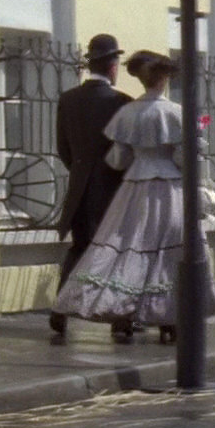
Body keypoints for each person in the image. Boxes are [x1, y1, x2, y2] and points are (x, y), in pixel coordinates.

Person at [51, 50, 215, 342]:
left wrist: (140, 156)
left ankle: (125, 312)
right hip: (168, 189)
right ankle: (171, 319)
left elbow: (118, 159)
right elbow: (184, 158)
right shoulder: (175, 113)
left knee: (130, 250)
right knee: (170, 251)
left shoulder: (127, 113)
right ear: (164, 80)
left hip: (133, 189)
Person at [50, 33, 132, 342]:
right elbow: (126, 151)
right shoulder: (121, 102)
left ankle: (59, 311)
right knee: (118, 254)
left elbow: (63, 148)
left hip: (80, 189)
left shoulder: (68, 99)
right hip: (112, 190)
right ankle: (121, 319)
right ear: (113, 66)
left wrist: (82, 172)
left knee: (79, 250)